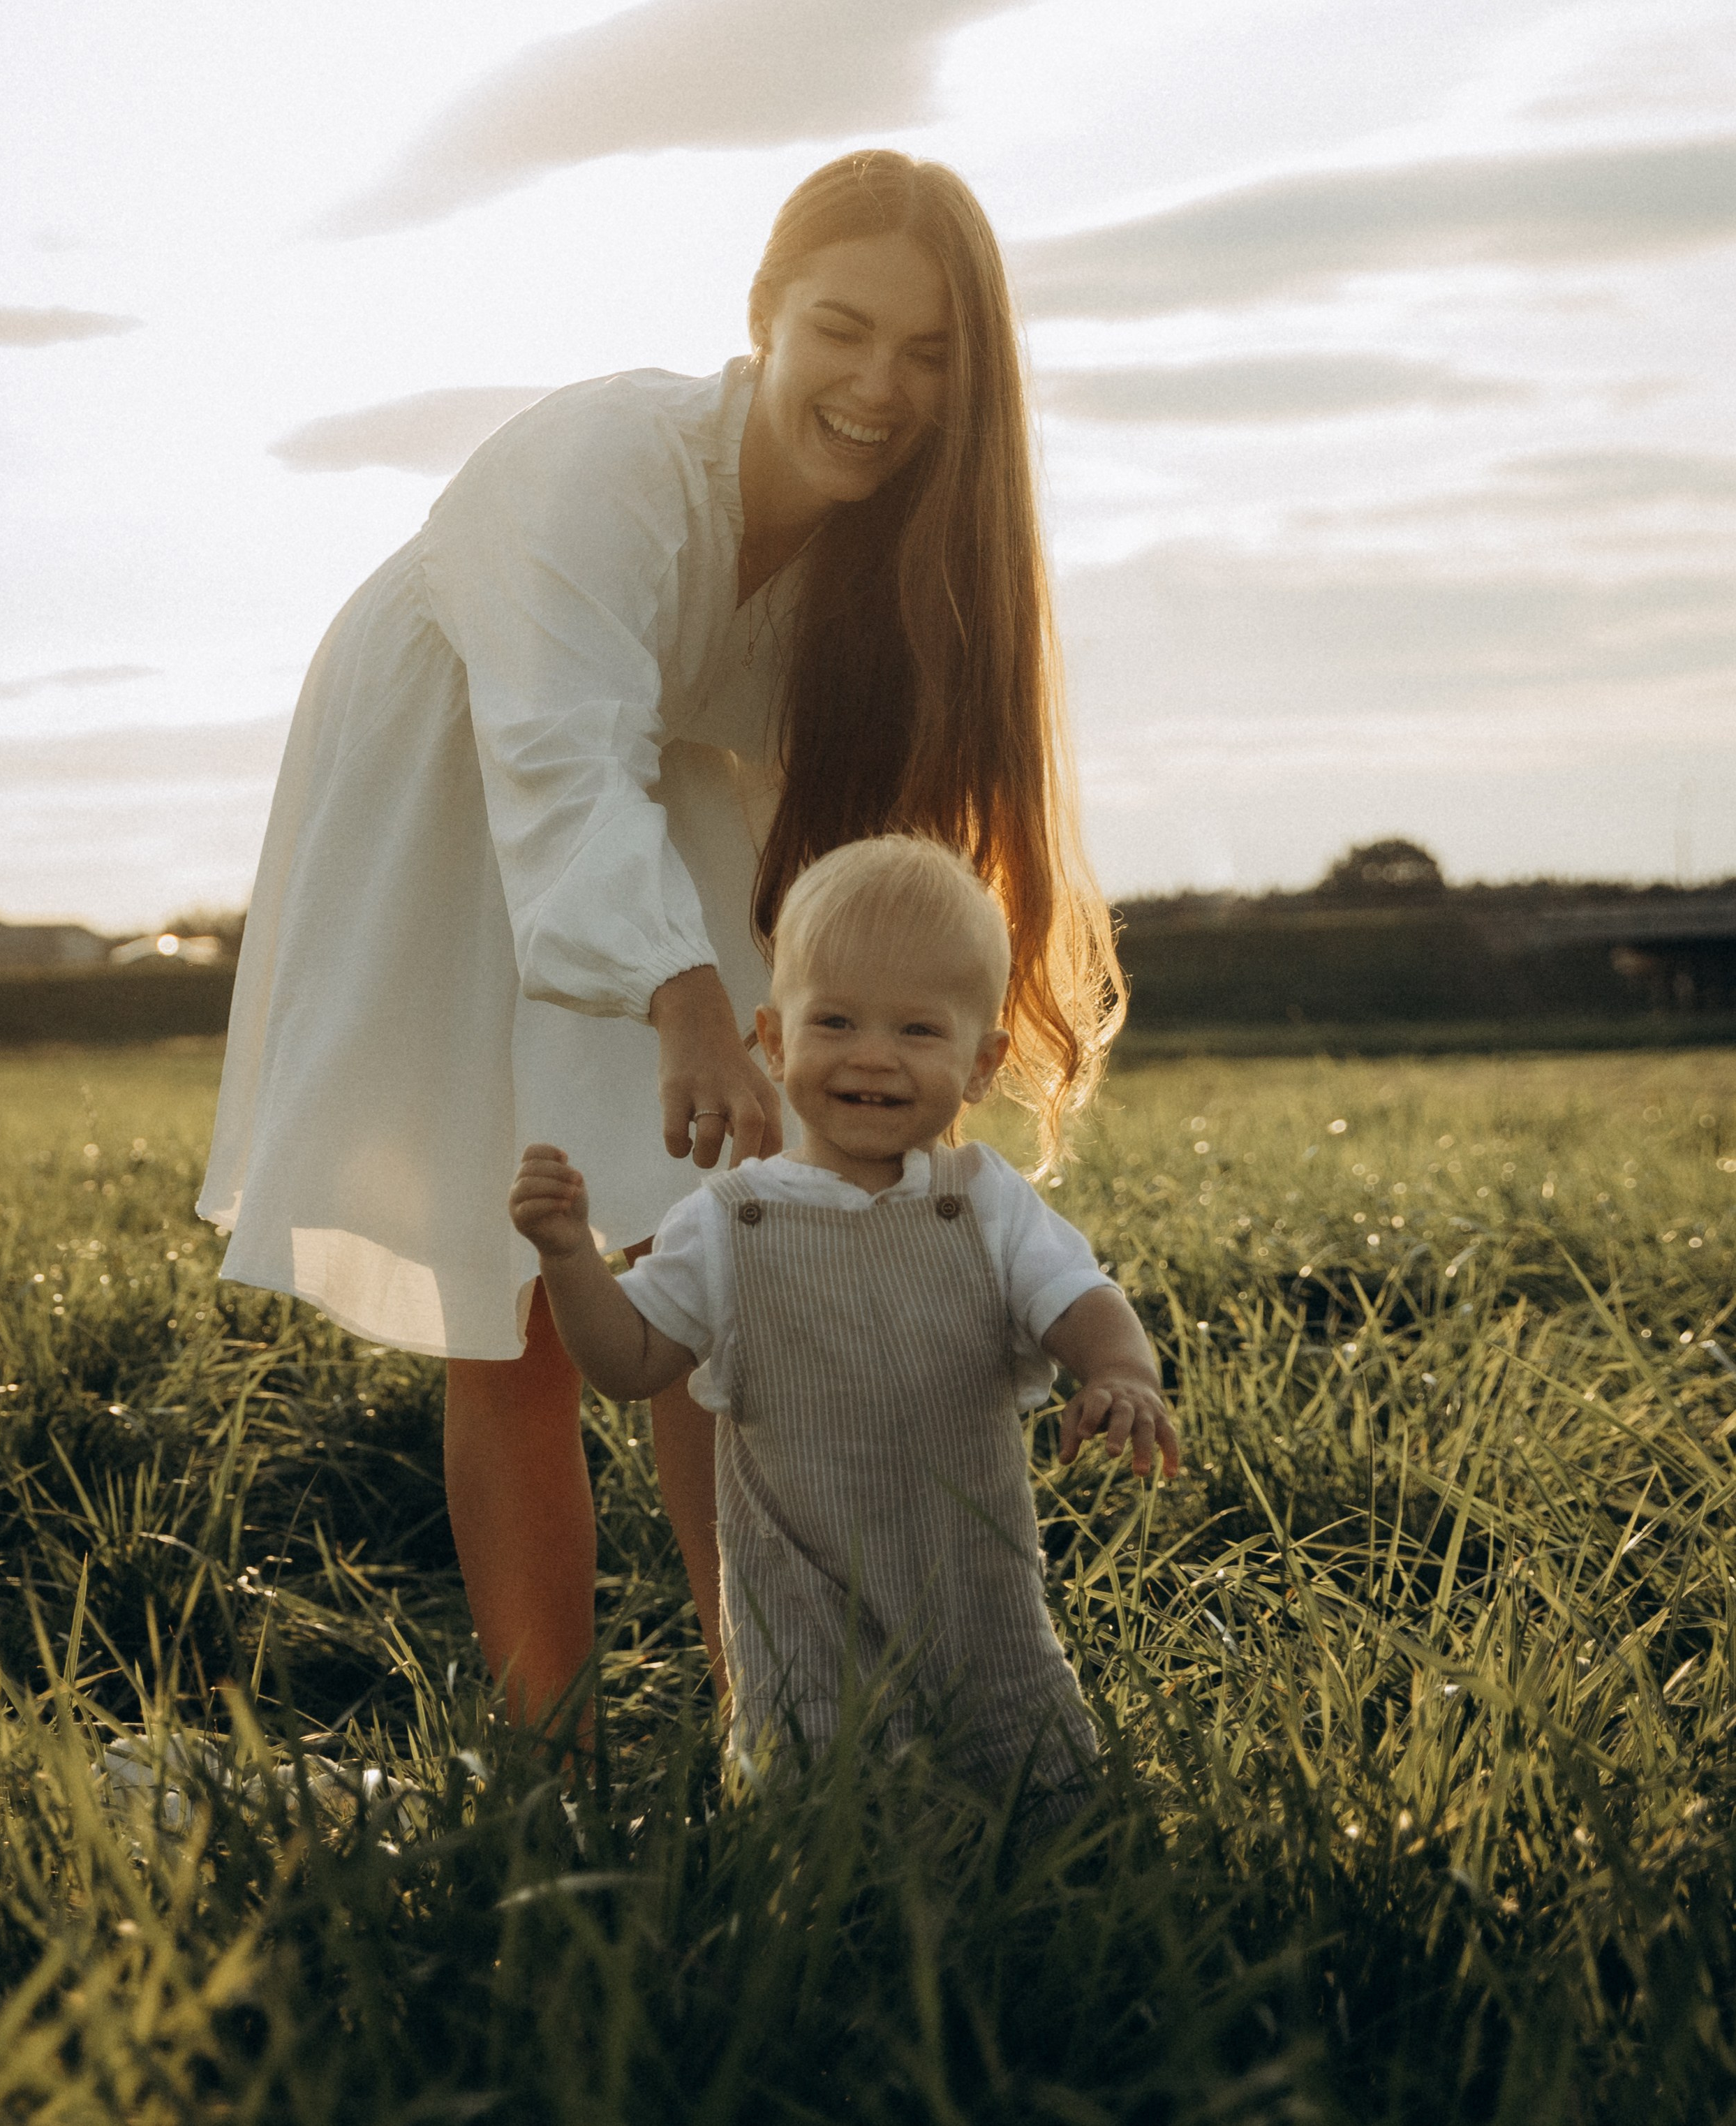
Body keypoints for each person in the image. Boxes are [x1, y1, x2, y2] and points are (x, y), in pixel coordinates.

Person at [198, 149, 1123, 1720]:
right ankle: (544, 1751)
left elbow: (861, 830)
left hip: (667, 793)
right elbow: (560, 756)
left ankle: (775, 1715)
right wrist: (684, 996)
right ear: (762, 311)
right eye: (842, 328)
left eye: (929, 353)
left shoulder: (901, 547)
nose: (877, 388)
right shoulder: (599, 462)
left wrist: (852, 1022)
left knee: (720, 1251)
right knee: (509, 1295)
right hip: (451, 762)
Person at [509, 836, 1179, 1790]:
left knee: (1045, 1804)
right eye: (835, 1021)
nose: (873, 1054)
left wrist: (1118, 1372)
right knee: (832, 1835)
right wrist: (572, 1257)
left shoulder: (982, 1200)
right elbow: (629, 1360)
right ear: (774, 1039)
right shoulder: (727, 1220)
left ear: (980, 1062)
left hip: (982, 1614)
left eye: (917, 1030)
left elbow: (1077, 1295)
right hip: (804, 1635)